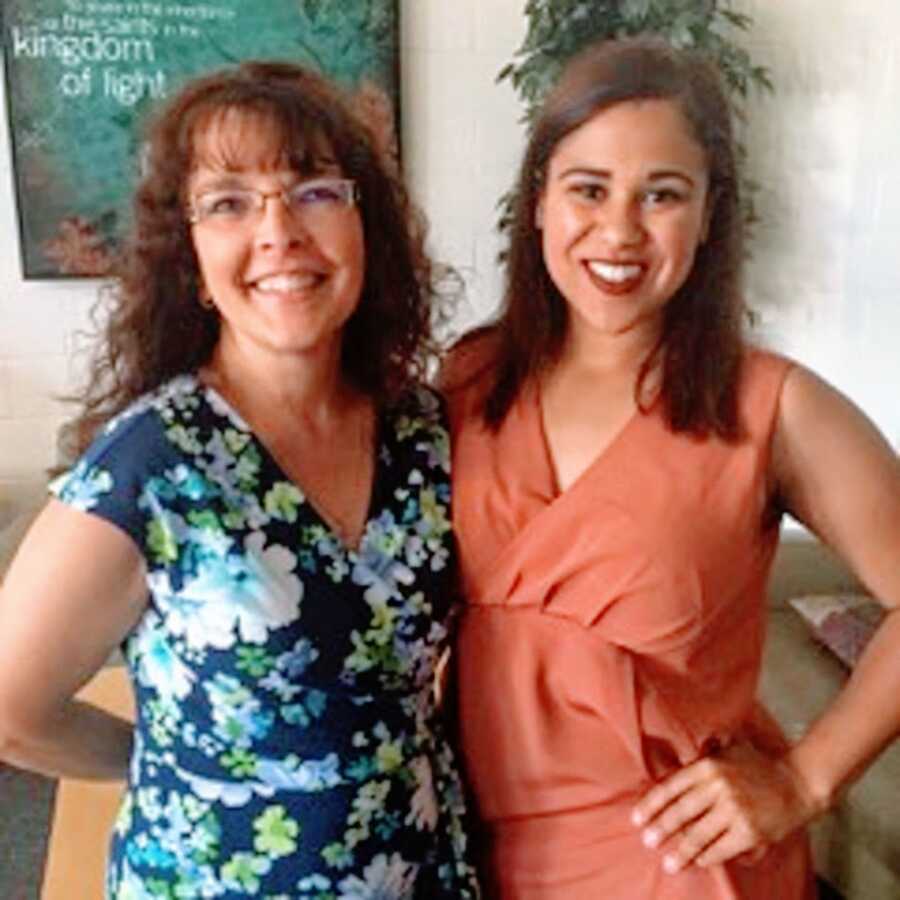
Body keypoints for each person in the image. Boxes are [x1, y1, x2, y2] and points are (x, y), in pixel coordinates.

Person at [0, 61, 481, 898]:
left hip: (420, 872)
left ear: (366, 225)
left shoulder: (426, 432)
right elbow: (12, 710)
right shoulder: (149, 465)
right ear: (189, 256)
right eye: (229, 202)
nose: (279, 232)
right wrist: (162, 761)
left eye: (315, 191)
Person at [443, 36, 900, 898]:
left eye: (662, 195)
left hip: (676, 871)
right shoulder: (467, 383)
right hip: (475, 860)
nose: (619, 230)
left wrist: (805, 780)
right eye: (588, 189)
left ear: (708, 217)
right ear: (538, 200)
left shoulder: (772, 407)